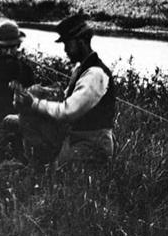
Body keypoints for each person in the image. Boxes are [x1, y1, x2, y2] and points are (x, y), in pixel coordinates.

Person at [13, 13, 117, 165]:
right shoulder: (81, 69)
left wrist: (33, 102)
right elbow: (65, 98)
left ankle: (34, 164)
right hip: (75, 137)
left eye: (68, 44)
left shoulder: (95, 74)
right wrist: (39, 92)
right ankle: (30, 161)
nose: (66, 50)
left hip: (93, 144)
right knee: (12, 121)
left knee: (54, 174)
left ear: (81, 42)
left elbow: (67, 112)